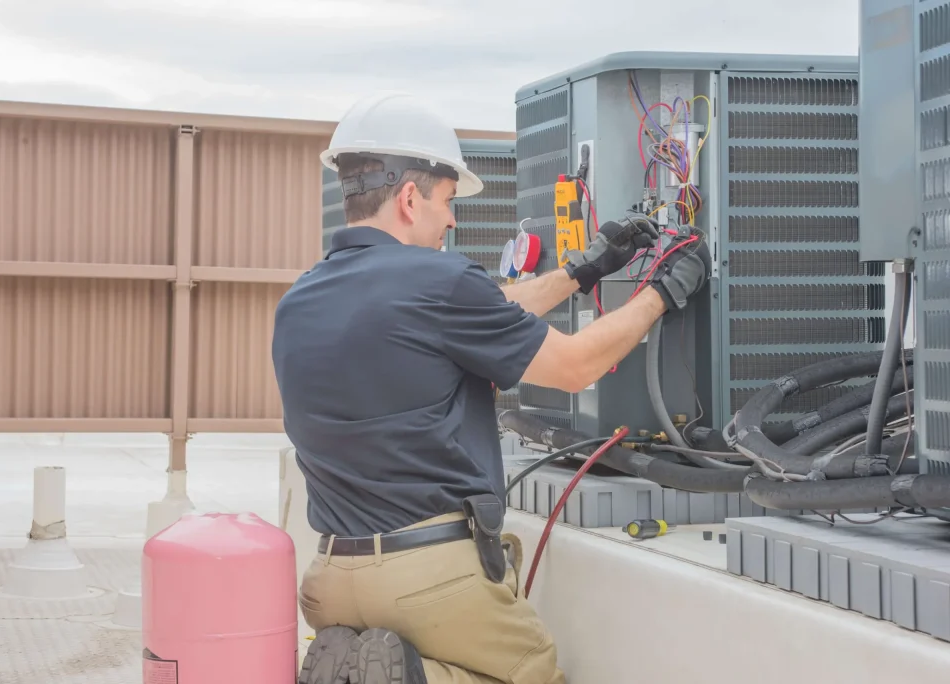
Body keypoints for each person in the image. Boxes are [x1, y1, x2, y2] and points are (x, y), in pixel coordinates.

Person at [272, 92, 711, 684]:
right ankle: (416, 677)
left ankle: (368, 669)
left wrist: (586, 269)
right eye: (448, 202)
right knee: (534, 676)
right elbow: (577, 364)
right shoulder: (439, 282)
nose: (453, 221)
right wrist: (663, 289)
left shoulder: (301, 299)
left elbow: (489, 310)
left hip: (330, 578)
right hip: (428, 576)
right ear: (409, 198)